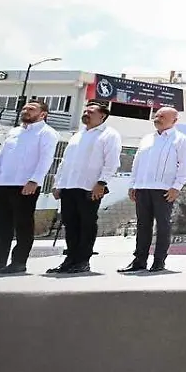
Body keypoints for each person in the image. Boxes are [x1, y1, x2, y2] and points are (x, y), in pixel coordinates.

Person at [0, 100, 59, 274]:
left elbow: (46, 159)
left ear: (43, 114)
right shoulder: (14, 132)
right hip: (3, 184)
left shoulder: (47, 133)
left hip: (25, 185)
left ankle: (18, 262)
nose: (26, 111)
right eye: (24, 108)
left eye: (31, 109)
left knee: (23, 225)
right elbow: (1, 158)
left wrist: (35, 180)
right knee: (2, 225)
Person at [50, 100, 122, 274]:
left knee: (87, 224)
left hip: (90, 188)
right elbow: (64, 162)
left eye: (91, 111)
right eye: (85, 111)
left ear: (102, 116)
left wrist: (102, 183)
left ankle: (83, 261)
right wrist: (57, 183)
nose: (86, 113)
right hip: (68, 186)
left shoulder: (109, 134)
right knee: (70, 224)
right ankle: (70, 259)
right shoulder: (77, 135)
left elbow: (111, 162)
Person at [119, 106, 186, 273]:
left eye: (162, 116)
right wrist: (133, 185)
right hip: (143, 188)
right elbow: (137, 163)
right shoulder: (146, 139)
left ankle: (159, 261)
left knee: (163, 225)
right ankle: (139, 260)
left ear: (174, 121)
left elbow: (185, 166)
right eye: (156, 115)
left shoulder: (180, 140)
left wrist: (177, 187)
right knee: (143, 225)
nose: (157, 118)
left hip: (164, 190)